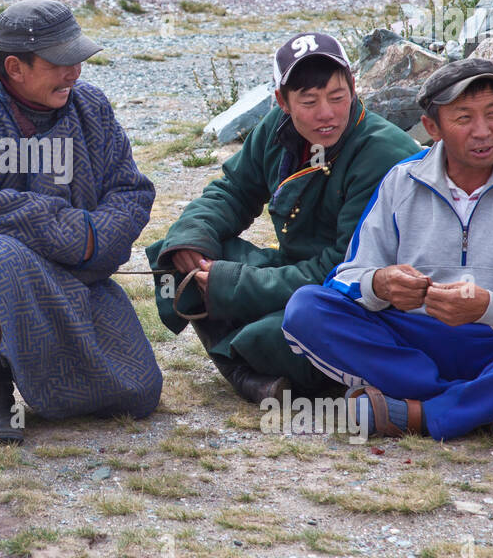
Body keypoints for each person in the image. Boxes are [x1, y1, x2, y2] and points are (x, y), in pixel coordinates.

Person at [281, 58, 493, 440]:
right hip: (413, 346)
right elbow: (347, 278)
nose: (483, 132)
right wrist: (380, 284)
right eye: (463, 119)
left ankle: (421, 413)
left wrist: (490, 307)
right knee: (306, 309)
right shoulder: (401, 181)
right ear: (432, 127)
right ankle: (488, 405)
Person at [0, 0, 160, 443]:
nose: (75, 73)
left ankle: (39, 369)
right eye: (61, 63)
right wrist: (75, 232)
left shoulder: (90, 107)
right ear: (16, 66)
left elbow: (131, 191)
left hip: (79, 275)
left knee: (139, 392)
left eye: (78, 61)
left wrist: (95, 242)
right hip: (0, 274)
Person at [147, 32, 419, 403]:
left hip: (352, 294)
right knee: (183, 253)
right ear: (282, 101)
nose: (326, 113)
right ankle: (255, 366)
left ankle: (246, 372)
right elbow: (235, 190)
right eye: (309, 101)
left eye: (338, 97)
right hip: (295, 272)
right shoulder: (279, 128)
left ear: (354, 87)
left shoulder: (381, 153)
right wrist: (195, 235)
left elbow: (344, 267)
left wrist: (234, 286)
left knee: (278, 332)